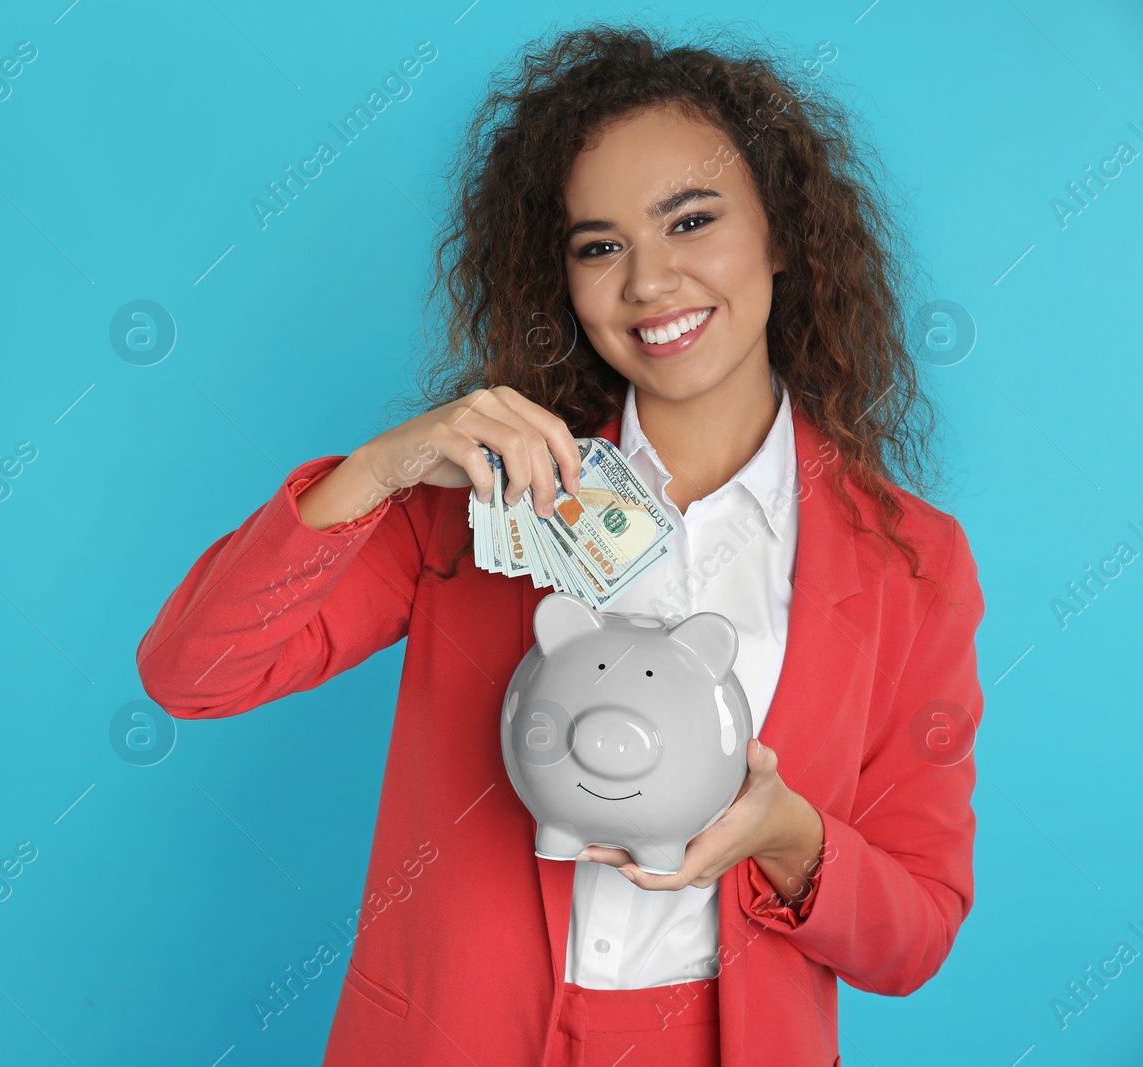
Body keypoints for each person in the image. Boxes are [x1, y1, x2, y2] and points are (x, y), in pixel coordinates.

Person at [137, 22, 985, 1067]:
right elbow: (195, 673)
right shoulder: (477, 500)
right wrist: (384, 464)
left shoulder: (911, 560)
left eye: (690, 219)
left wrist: (789, 835)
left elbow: (917, 932)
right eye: (599, 245)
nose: (648, 281)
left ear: (780, 233)